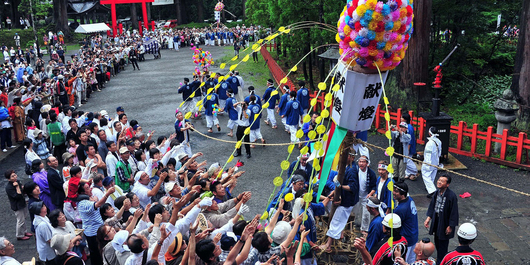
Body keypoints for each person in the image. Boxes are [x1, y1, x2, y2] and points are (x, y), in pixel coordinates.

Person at [319, 158, 359, 252]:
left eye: (345, 155)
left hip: (347, 202)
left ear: (351, 157)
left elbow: (352, 187)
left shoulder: (352, 170)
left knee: (336, 221)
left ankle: (328, 245)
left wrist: (340, 187)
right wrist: (332, 195)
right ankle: (339, 233)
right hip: (342, 198)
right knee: (337, 218)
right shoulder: (345, 167)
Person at [77, 182, 116, 265]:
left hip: (97, 229)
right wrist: (108, 193)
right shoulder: (83, 203)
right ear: (82, 193)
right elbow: (98, 205)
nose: (90, 189)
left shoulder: (88, 200)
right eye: (87, 188)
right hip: (93, 233)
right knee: (97, 255)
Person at [424, 175, 459, 263]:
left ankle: (442, 260)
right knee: (437, 239)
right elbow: (432, 205)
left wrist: (450, 226)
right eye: (439, 180)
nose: (439, 182)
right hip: (437, 220)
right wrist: (429, 218)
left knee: (443, 242)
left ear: (447, 184)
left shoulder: (451, 196)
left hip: (445, 222)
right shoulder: (437, 192)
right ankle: (440, 258)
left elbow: (454, 212)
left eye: (442, 181)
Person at [393, 181, 418, 264]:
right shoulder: (409, 199)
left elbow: (394, 225)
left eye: (396, 191)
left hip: (406, 239)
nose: (393, 192)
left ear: (402, 194)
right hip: (413, 236)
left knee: (403, 261)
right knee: (411, 261)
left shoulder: (400, 209)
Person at [5, 170, 32, 241]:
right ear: (9, 179)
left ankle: (24, 231)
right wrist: (17, 187)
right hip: (17, 205)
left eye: (15, 175)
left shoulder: (17, 182)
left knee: (24, 218)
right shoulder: (9, 187)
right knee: (20, 220)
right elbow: (17, 196)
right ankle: (19, 235)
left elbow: (22, 192)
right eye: (12, 176)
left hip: (22, 203)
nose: (15, 177)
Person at [422, 127, 442, 198]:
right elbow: (439, 153)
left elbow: (428, 154)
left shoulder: (429, 143)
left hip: (429, 162)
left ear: (429, 133)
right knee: (432, 175)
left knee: (426, 175)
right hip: (436, 161)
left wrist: (427, 164)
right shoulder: (439, 141)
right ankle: (429, 186)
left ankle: (432, 190)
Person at [401, 113, 418, 180]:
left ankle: (414, 171)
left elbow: (409, 140)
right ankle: (408, 173)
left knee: (407, 160)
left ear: (405, 119)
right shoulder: (409, 126)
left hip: (409, 147)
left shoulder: (409, 128)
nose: (400, 119)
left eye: (402, 117)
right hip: (408, 146)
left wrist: (407, 150)